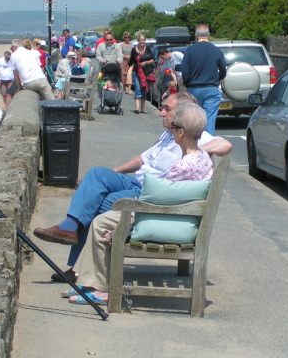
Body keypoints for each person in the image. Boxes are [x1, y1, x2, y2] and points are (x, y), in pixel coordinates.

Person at [33, 92, 231, 283]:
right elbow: (142, 159)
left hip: (147, 191)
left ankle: (79, 269)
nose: (162, 112)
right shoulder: (168, 135)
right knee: (97, 175)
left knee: (99, 204)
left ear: (182, 114)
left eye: (167, 109)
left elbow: (225, 145)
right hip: (134, 180)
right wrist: (114, 172)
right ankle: (70, 227)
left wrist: (194, 152)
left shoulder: (193, 135)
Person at [65, 103, 214, 305]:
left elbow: (159, 203)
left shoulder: (181, 167)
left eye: (174, 126)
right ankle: (88, 281)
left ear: (180, 132)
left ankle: (101, 289)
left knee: (101, 223)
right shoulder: (204, 158)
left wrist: (127, 227)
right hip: (180, 218)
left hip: (165, 221)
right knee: (102, 218)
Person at [180, 25, 227, 136]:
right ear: (209, 35)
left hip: (194, 89)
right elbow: (223, 69)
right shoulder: (216, 50)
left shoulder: (190, 50)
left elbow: (185, 71)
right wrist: (218, 79)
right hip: (211, 89)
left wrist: (187, 84)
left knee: (193, 119)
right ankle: (207, 148)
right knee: (209, 120)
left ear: (196, 35)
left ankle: (193, 145)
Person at [128, 34, 155, 114]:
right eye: (140, 40)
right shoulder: (134, 49)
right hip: (136, 71)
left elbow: (153, 59)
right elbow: (131, 61)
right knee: (137, 88)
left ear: (145, 40)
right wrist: (126, 70)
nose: (142, 41)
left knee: (144, 89)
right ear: (138, 41)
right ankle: (136, 108)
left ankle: (142, 109)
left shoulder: (148, 49)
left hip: (146, 72)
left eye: (143, 40)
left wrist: (145, 63)